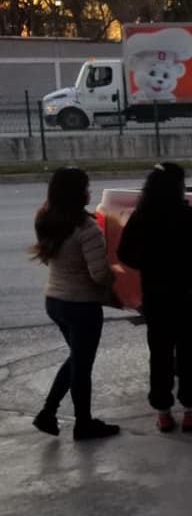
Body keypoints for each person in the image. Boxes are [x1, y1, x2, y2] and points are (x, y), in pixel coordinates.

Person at [118, 162, 192, 433]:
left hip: (156, 297)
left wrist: (151, 266)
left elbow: (125, 253)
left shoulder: (142, 218)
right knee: (190, 354)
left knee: (160, 355)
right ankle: (190, 411)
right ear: (178, 187)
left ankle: (163, 413)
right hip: (190, 297)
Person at [31, 167, 120, 441]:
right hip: (82, 307)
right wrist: (116, 279)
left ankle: (48, 413)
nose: (88, 191)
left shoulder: (45, 219)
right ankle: (83, 424)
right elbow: (99, 274)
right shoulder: (86, 228)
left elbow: (50, 258)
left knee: (76, 360)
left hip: (55, 301)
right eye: (85, 187)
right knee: (82, 367)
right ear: (76, 192)